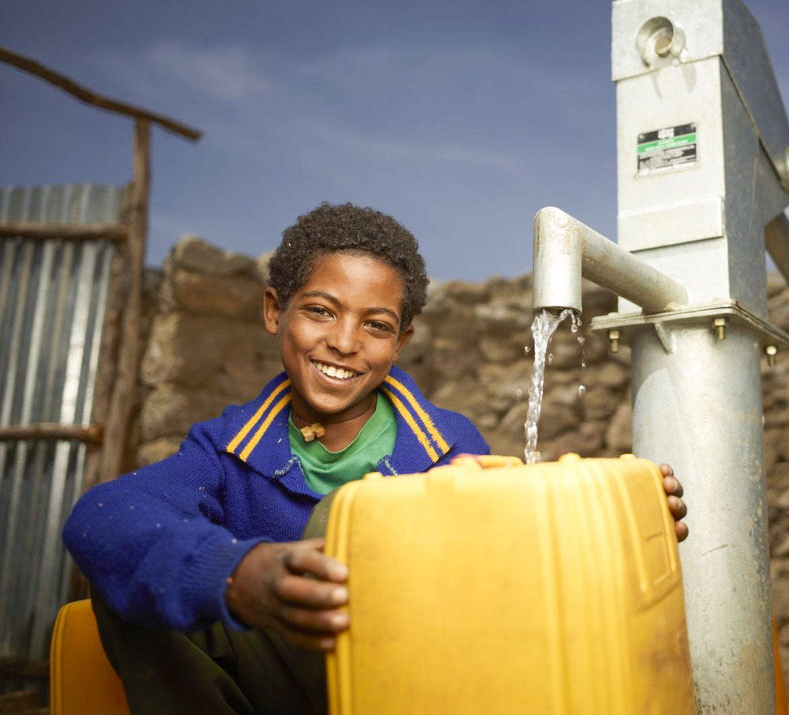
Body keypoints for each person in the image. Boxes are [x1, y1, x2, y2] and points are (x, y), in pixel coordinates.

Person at [63, 202, 689, 715]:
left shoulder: (449, 448)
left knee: (344, 520)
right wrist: (238, 573)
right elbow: (100, 516)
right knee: (131, 576)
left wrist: (620, 523)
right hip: (283, 692)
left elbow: (524, 549)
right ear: (274, 310)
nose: (343, 342)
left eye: (376, 325)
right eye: (320, 311)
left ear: (401, 343)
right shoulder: (226, 450)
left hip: (414, 688)